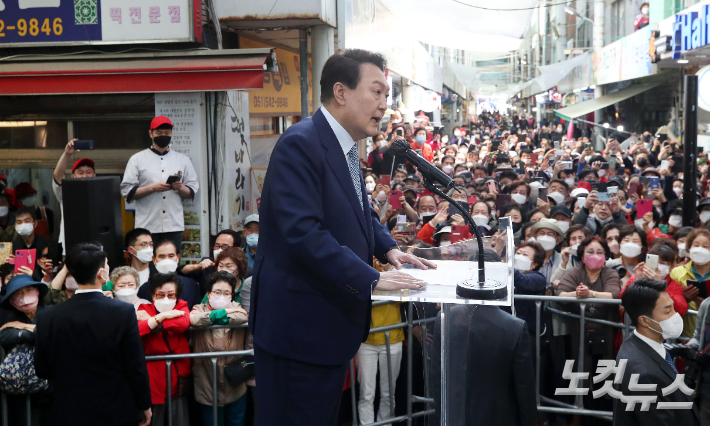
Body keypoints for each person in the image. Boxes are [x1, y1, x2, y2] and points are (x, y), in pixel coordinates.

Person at [250, 49, 432, 426]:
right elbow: (303, 232)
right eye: (377, 92)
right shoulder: (301, 143)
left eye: (387, 95)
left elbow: (358, 211)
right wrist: (373, 277)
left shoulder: (344, 147)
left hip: (326, 331)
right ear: (341, 92)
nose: (384, 104)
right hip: (298, 333)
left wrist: (389, 248)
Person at [34, 243, 152, 426]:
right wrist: (144, 404)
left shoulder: (47, 316)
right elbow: (135, 365)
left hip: (68, 410)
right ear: (100, 273)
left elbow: (41, 369)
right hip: (115, 409)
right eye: (106, 265)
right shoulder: (123, 312)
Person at [431, 253, 535, 426]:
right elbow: (524, 387)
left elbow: (438, 377)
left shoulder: (444, 317)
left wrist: (441, 415)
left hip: (454, 415)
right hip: (499, 416)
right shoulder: (514, 326)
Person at [615, 278, 699, 426]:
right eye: (667, 311)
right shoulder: (644, 374)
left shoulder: (637, 345)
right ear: (644, 320)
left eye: (673, 308)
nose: (675, 316)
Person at [120, 116, 199, 251]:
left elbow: (192, 191)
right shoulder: (137, 159)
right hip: (147, 225)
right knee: (148, 264)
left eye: (167, 133)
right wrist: (152, 188)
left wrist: (180, 187)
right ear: (151, 133)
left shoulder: (182, 159)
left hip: (174, 224)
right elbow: (127, 191)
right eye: (159, 132)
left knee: (171, 264)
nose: (163, 136)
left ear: (171, 134)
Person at [191, 271, 249, 426]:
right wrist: (225, 313)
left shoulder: (237, 307)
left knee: (236, 421)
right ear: (209, 294)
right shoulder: (199, 308)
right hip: (207, 381)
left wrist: (215, 317)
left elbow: (242, 316)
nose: (222, 296)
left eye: (227, 293)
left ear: (232, 295)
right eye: (217, 292)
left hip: (235, 383)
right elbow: (194, 320)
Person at [137, 272, 191, 426]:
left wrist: (153, 322)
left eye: (171, 294)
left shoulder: (181, 306)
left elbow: (183, 323)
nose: (166, 298)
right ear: (153, 295)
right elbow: (139, 329)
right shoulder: (144, 307)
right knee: (156, 419)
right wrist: (162, 317)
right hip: (153, 375)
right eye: (160, 295)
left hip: (177, 372)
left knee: (179, 418)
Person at [0, 275, 50, 424]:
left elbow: (52, 333)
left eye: (28, 290)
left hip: (50, 386)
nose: (24, 297)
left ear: (37, 292)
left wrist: (26, 331)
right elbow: (4, 335)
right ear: (11, 301)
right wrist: (33, 333)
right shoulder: (9, 318)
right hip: (20, 391)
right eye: (18, 294)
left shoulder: (51, 312)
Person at [52, 140, 96, 253]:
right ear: (73, 175)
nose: (85, 175)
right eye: (80, 173)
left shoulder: (101, 193)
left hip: (94, 249)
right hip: (69, 249)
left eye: (88, 172)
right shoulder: (65, 192)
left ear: (94, 174)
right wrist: (67, 154)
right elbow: (58, 175)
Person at [137, 240, 203, 310]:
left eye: (171, 256)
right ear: (154, 259)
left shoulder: (191, 285)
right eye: (162, 256)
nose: (166, 260)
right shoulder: (144, 289)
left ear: (177, 258)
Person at [12, 206, 51, 282]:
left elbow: (51, 270)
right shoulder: (13, 247)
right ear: (15, 226)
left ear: (35, 223)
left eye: (27, 221)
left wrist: (34, 274)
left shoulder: (47, 244)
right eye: (19, 222)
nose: (23, 225)